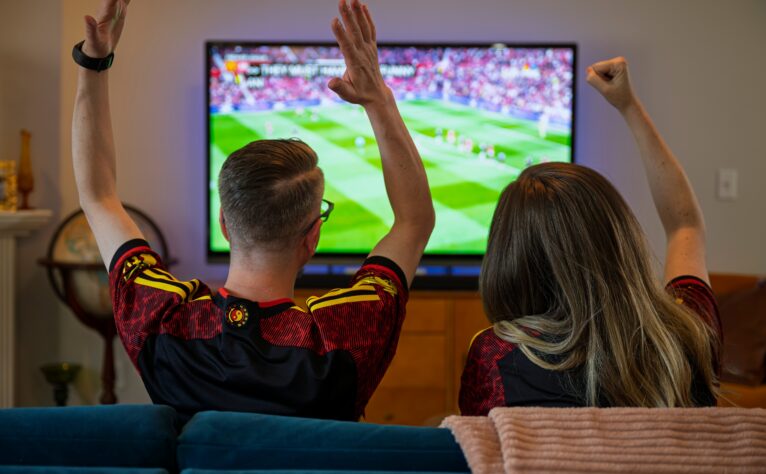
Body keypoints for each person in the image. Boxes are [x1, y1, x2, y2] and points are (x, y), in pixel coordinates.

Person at [72, 0, 434, 421]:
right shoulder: (345, 337)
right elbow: (415, 221)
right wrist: (378, 98)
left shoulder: (162, 323)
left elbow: (97, 196)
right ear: (312, 237)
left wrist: (93, 65)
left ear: (225, 224)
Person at [459, 57, 721, 414]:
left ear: (510, 258)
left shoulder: (495, 354)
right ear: (619, 237)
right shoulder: (690, 334)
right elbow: (685, 226)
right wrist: (628, 106)